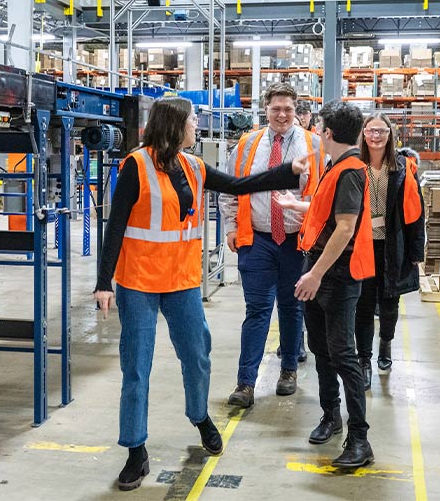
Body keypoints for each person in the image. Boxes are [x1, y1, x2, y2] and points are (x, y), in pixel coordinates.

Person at [93, 96, 309, 492]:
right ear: (175, 125)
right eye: (193, 120)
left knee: (197, 354)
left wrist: (287, 172)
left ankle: (199, 416)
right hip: (139, 282)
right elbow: (116, 226)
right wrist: (104, 282)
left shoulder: (193, 166)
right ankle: (135, 450)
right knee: (136, 367)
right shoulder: (135, 167)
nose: (197, 126)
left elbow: (241, 185)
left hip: (182, 282)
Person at [277, 100, 375, 468]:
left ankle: (360, 440)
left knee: (343, 355)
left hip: (335, 275)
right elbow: (329, 214)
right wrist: (295, 206)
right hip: (317, 267)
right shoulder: (335, 167)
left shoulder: (350, 170)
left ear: (328, 133)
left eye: (318, 127)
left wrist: (315, 273)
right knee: (320, 349)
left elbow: (346, 227)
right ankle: (331, 415)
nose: (315, 132)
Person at [218, 82, 325, 408]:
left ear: (297, 112)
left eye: (288, 109)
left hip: (298, 241)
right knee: (257, 311)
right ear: (266, 110)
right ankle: (245, 383)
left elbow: (323, 196)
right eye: (276, 109)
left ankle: (289, 369)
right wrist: (230, 226)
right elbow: (230, 187)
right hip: (258, 239)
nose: (282, 115)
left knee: (293, 307)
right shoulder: (248, 145)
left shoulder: (314, 145)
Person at [353, 113, 425, 390]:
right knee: (363, 304)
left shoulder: (404, 168)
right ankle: (364, 360)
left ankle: (385, 344)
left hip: (393, 244)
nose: (376, 136)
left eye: (381, 131)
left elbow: (416, 215)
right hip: (362, 244)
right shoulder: (354, 165)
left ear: (390, 135)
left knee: (390, 303)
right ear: (363, 134)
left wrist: (416, 251)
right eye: (371, 131)